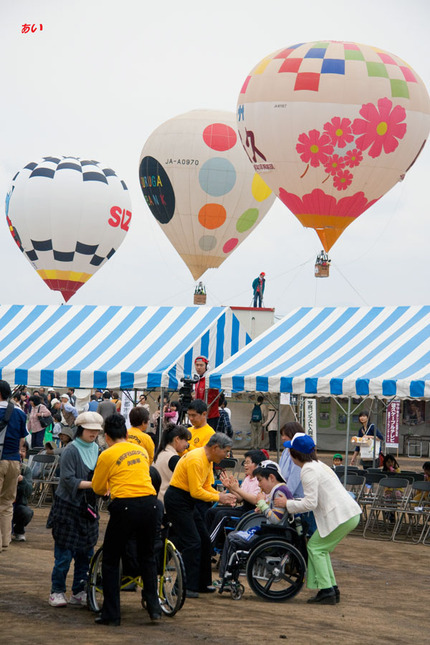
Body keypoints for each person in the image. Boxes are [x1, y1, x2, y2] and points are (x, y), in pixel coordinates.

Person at [275, 433, 361, 605]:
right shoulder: (317, 465)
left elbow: (310, 503)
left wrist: (287, 504)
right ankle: (330, 588)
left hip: (341, 516)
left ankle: (327, 590)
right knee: (320, 548)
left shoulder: (308, 470)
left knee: (315, 548)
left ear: (295, 454)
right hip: (347, 514)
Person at [92, 413, 160, 626]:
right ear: (126, 433)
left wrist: (108, 488)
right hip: (151, 503)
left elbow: (98, 487)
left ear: (107, 436)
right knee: (147, 556)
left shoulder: (107, 454)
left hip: (126, 506)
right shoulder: (139, 450)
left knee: (111, 560)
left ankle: (112, 614)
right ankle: (154, 608)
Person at [164, 433, 236, 598]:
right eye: (226, 451)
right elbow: (197, 492)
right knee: (192, 542)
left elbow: (205, 486)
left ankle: (202, 583)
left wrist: (222, 495)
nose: (227, 455)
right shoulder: (197, 459)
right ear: (215, 447)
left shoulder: (208, 459)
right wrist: (219, 497)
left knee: (204, 540)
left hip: (187, 500)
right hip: (178, 500)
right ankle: (183, 587)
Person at [47, 411, 102, 608]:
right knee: (64, 555)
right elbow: (68, 480)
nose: (94, 433)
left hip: (88, 509)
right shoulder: (70, 450)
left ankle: (79, 591)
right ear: (81, 429)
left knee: (86, 554)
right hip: (68, 507)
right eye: (90, 430)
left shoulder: (99, 449)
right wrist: (96, 484)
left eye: (96, 430)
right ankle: (57, 591)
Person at [216, 460, 293, 582]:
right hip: (272, 533)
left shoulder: (280, 492)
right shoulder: (280, 490)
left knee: (232, 538)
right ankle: (228, 575)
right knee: (233, 536)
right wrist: (263, 508)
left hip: (272, 536)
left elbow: (275, 519)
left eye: (260, 480)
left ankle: (227, 577)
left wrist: (262, 504)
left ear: (271, 478)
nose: (259, 485)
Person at [206, 449, 266, 548]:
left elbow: (256, 500)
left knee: (223, 515)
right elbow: (240, 499)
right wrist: (230, 487)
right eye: (244, 463)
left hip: (252, 512)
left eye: (248, 463)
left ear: (257, 465)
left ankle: (209, 545)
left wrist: (237, 489)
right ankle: (212, 541)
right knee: (211, 511)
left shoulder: (259, 480)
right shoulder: (248, 478)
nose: (245, 465)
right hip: (243, 508)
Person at [0, 381, 28, 552]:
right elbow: (22, 439)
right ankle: (4, 541)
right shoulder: (18, 411)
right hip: (13, 461)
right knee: (7, 502)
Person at [153, 423, 192, 503]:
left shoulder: (160, 454)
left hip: (157, 500)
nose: (187, 445)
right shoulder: (173, 458)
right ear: (177, 439)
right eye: (186, 441)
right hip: (168, 503)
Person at [12, 441, 34, 542]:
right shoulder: (4, 465)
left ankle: (19, 530)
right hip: (4, 503)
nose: (20, 453)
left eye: (23, 451)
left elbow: (29, 491)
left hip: (18, 505)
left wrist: (22, 480)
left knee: (27, 512)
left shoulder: (26, 470)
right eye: (18, 450)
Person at [194, 356, 220, 430]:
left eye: (201, 365)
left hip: (210, 417)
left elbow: (210, 402)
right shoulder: (198, 381)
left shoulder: (210, 381)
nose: (198, 367)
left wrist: (203, 419)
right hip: (200, 415)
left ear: (206, 367)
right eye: (197, 365)